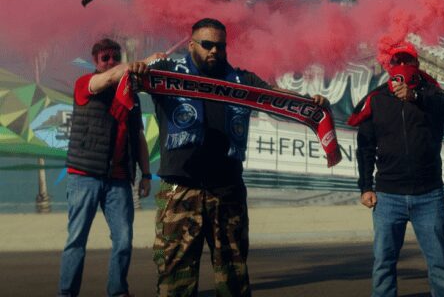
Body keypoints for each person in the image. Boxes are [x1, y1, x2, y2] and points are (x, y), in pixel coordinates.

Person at [129, 18, 327, 297]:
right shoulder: (167, 72)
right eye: (207, 45)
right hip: (181, 189)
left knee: (233, 276)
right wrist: (138, 68)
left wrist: (309, 103)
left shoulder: (241, 80)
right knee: (175, 277)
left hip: (227, 190)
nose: (214, 52)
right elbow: (127, 81)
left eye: (220, 46)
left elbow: (274, 97)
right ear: (191, 44)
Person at [352, 42, 444, 297]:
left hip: (429, 195)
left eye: (406, 61)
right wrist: (365, 187)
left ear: (417, 65)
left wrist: (415, 97)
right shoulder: (376, 99)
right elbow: (365, 147)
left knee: (440, 264)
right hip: (388, 197)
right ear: (389, 67)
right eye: (396, 61)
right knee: (384, 264)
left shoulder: (432, 94)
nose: (401, 66)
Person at [59, 38, 151, 297]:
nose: (110, 61)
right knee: (76, 240)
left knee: (123, 240)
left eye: (114, 57)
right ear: (95, 61)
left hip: (119, 178)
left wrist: (146, 174)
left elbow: (139, 136)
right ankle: (66, 293)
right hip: (84, 176)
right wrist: (132, 66)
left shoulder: (129, 92)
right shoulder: (85, 85)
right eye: (104, 58)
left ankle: (117, 291)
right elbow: (106, 79)